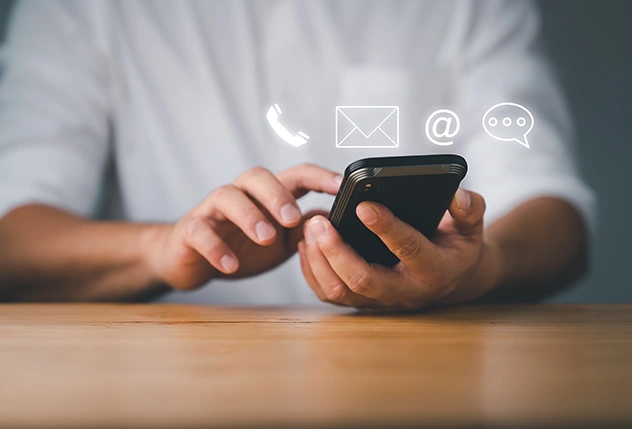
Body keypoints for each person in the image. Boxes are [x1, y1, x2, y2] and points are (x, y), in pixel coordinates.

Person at [0, 0, 594, 308]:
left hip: (422, 384)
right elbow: (12, 233)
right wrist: (160, 251)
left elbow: (553, 210)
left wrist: (479, 269)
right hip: (181, 383)